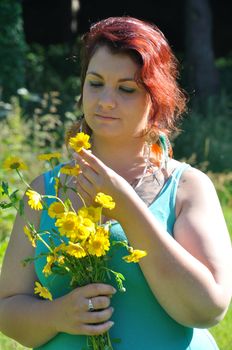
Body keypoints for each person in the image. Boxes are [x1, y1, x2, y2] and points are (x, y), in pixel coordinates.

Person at [0, 16, 231, 350]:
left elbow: (208, 309)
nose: (105, 100)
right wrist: (56, 315)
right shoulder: (46, 190)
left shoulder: (187, 188)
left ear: (157, 97)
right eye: (95, 83)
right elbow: (7, 310)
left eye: (126, 89)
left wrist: (128, 209)